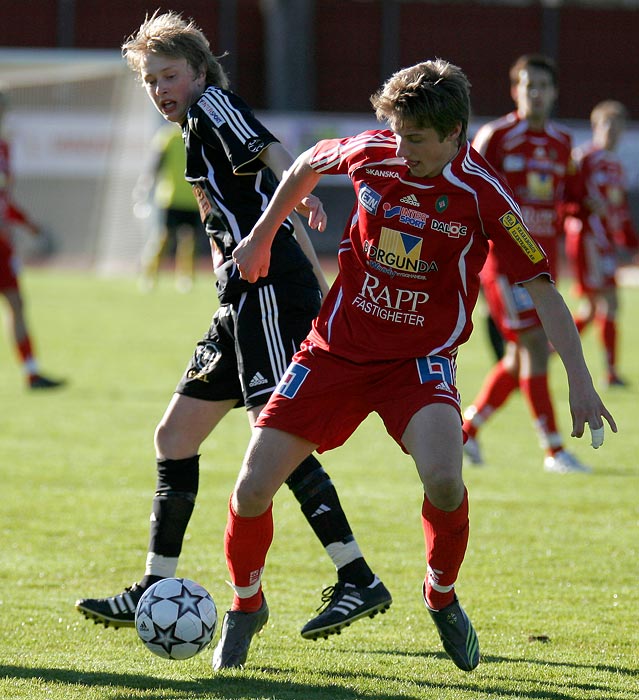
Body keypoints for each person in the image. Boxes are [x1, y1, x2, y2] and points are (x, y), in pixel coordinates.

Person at [212, 59, 615, 672]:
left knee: (445, 481)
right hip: (335, 351)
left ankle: (441, 595)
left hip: (418, 365)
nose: (402, 149)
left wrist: (581, 382)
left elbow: (544, 289)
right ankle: (246, 606)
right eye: (396, 133)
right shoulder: (373, 151)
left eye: (417, 140)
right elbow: (303, 165)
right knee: (250, 490)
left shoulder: (482, 195)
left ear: (454, 133)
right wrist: (264, 234)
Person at [75, 10, 391, 640]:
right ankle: (155, 583)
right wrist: (304, 241)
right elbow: (262, 193)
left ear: (199, 71)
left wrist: (297, 194)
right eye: (151, 82)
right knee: (174, 437)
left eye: (171, 75)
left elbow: (272, 151)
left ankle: (357, 576)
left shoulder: (213, 105)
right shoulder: (195, 124)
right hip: (240, 302)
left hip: (268, 295)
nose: (163, 90)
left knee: (273, 438)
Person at [461, 54, 594, 473]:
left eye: (543, 85)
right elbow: (469, 188)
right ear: (515, 90)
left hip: (543, 266)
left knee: (519, 358)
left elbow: (574, 196)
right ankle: (554, 450)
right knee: (536, 346)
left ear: (554, 93)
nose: (535, 92)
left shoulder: (561, 143)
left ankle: (467, 433)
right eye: (527, 84)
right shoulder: (496, 136)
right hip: (504, 266)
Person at [564, 100, 638, 388]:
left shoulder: (617, 167)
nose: (614, 133)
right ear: (596, 127)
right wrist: (580, 208)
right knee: (607, 302)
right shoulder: (584, 159)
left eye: (619, 128)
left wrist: (629, 240)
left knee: (594, 309)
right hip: (587, 239)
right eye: (609, 126)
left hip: (604, 242)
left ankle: (546, 351)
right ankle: (609, 372)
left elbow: (618, 211)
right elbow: (567, 196)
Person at [0, 91, 64, 391]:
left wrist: (29, 227)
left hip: (3, 244)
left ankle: (31, 371)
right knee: (16, 303)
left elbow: (4, 201)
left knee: (16, 303)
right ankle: (31, 371)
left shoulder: (4, 148)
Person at [136, 124, 202, 294]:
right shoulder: (168, 136)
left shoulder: (199, 135)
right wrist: (144, 188)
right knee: (163, 237)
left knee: (189, 240)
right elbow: (156, 164)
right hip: (170, 197)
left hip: (193, 198)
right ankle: (149, 275)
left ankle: (185, 278)